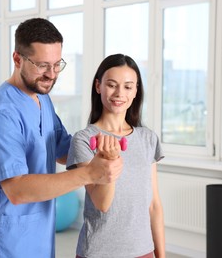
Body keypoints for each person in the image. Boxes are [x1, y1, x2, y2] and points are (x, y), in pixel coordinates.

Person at [0, 18, 123, 258]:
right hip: (8, 245)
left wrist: (103, 146)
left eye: (57, 64)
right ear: (17, 59)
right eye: (42, 65)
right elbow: (17, 189)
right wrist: (89, 174)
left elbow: (63, 149)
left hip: (40, 239)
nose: (51, 75)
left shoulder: (41, 98)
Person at [67, 54, 166, 258]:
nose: (119, 93)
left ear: (136, 91)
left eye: (128, 87)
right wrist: (109, 159)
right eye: (112, 85)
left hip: (143, 250)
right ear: (98, 86)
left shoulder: (148, 138)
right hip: (98, 252)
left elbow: (154, 205)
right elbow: (102, 204)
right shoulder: (84, 140)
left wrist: (161, 255)